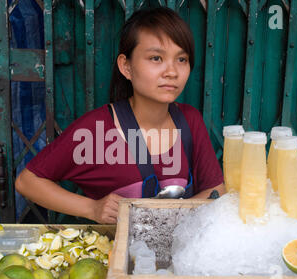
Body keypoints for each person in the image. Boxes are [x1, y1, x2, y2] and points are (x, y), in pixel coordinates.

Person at [15, 7, 225, 224]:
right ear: (126, 66)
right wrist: (92, 208)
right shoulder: (96, 130)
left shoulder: (189, 121)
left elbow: (215, 189)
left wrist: (175, 219)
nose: (172, 72)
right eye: (156, 58)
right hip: (116, 253)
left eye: (181, 59)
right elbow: (27, 181)